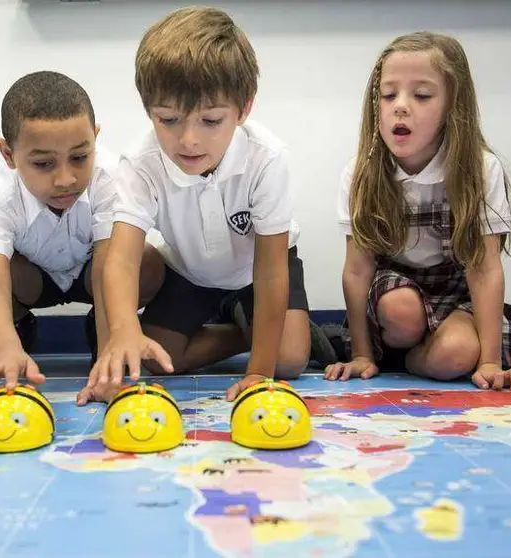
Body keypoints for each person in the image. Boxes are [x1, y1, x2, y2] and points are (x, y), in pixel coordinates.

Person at [81, 6, 337, 404]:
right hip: (190, 272)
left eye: (211, 121)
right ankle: (240, 329)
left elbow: (270, 270)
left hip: (258, 273)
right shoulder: (141, 163)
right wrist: (124, 329)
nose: (188, 141)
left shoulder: (266, 158)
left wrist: (258, 372)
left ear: (244, 108)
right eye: (168, 120)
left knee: (287, 361)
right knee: (156, 357)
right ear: (148, 108)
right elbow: (121, 259)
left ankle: (266, 326)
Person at [325, 31, 511, 391]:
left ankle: (407, 361)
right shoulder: (362, 172)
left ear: (454, 104)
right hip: (395, 295)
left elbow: (484, 269)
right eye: (388, 95)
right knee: (400, 309)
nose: (400, 106)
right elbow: (358, 271)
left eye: (421, 95)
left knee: (455, 354)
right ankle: (387, 349)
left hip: (457, 295)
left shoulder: (480, 169)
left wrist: (489, 362)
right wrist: (361, 353)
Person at [0, 71, 164, 396]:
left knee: (147, 261)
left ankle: (100, 334)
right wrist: (3, 347)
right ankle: (18, 333)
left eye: (79, 157)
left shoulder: (111, 177)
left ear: (95, 137)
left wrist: (110, 364)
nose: (65, 179)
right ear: (8, 154)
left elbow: (111, 265)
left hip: (95, 277)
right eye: (44, 164)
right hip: (34, 283)